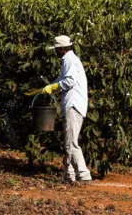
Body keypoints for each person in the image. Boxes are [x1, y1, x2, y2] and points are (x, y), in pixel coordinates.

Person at [27, 35, 93, 184]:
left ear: (62, 49)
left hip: (73, 105)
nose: (55, 52)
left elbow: (69, 81)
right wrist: (47, 88)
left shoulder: (69, 60)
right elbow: (62, 79)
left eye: (56, 49)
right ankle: (69, 176)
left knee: (71, 143)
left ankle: (83, 175)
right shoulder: (68, 60)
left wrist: (53, 88)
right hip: (71, 105)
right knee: (69, 142)